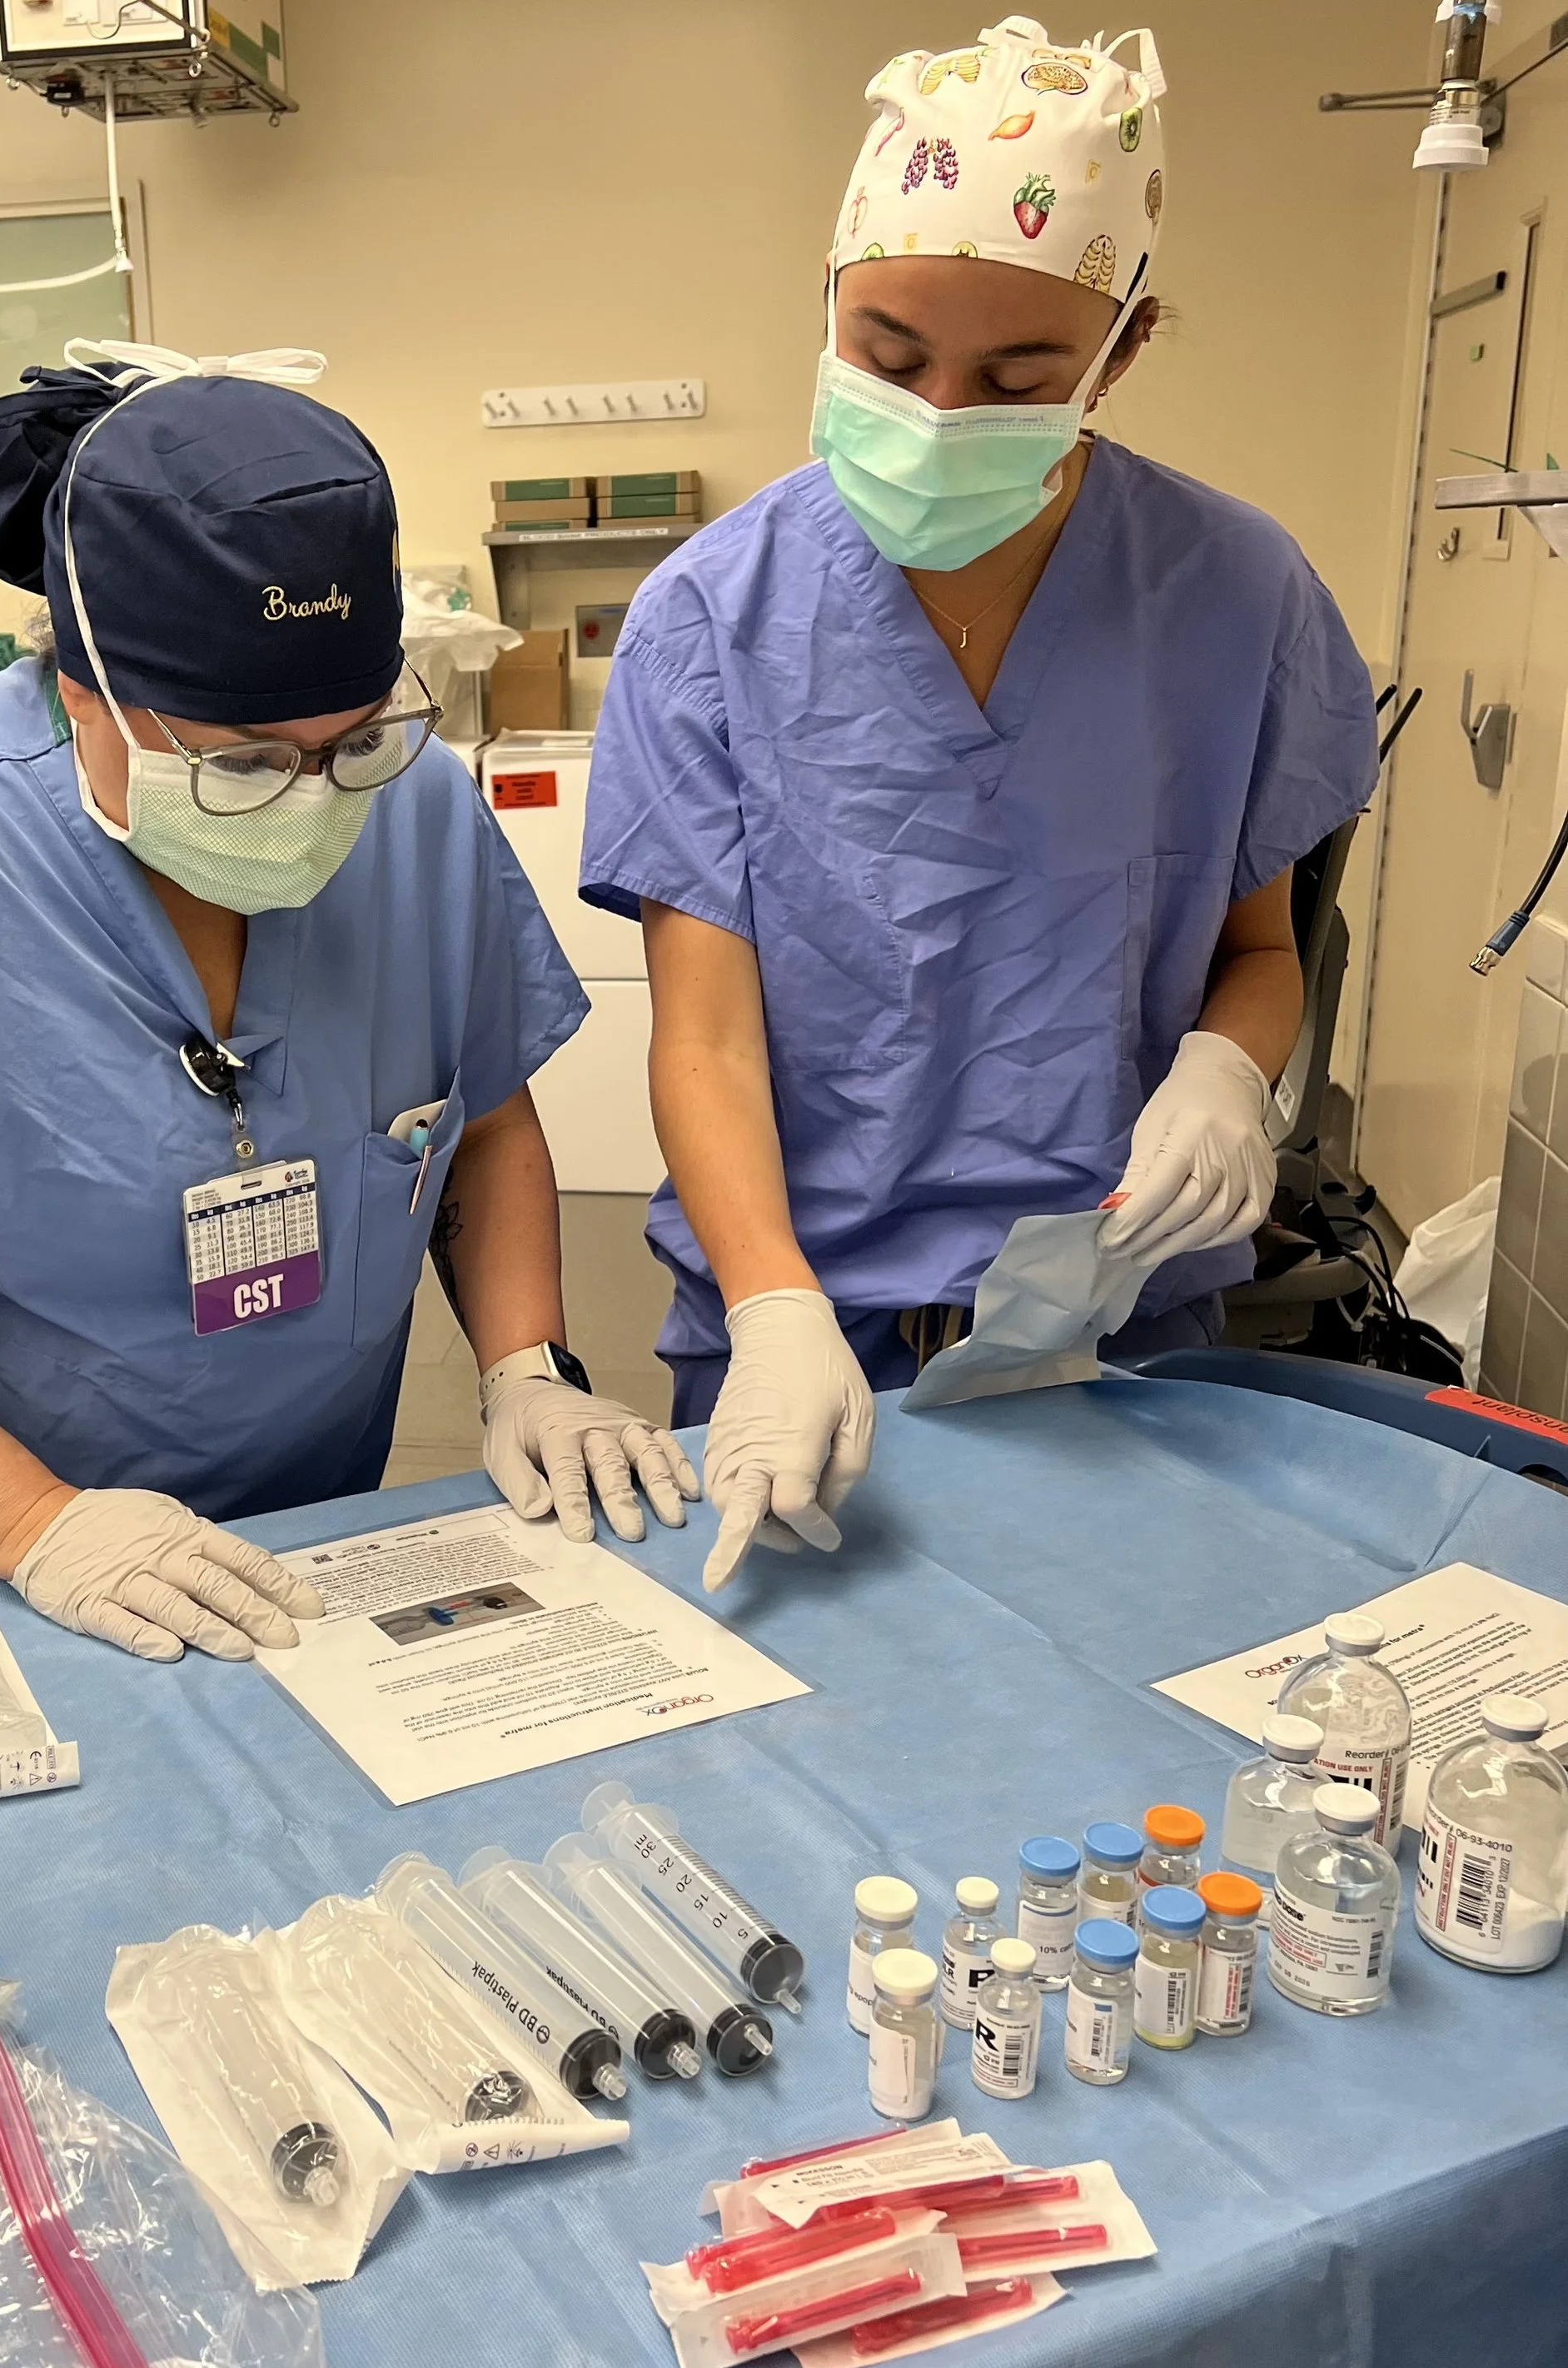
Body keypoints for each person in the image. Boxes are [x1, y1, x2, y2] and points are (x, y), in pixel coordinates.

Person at [0, 345, 694, 1663]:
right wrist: (42, 1527)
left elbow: (480, 1123)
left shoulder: (413, 813)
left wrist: (527, 1369)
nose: (318, 799)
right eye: (244, 762)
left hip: (314, 1543)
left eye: (355, 737)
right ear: (84, 691)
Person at [579, 17, 1380, 1589]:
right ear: (827, 304)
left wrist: (1227, 1068)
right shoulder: (714, 619)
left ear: (1121, 351)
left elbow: (1260, 952)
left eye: (1017, 375)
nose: (939, 411)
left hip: (1118, 1323)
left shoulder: (1232, 591)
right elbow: (707, 1032)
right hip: (806, 1315)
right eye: (885, 352)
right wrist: (771, 1306)